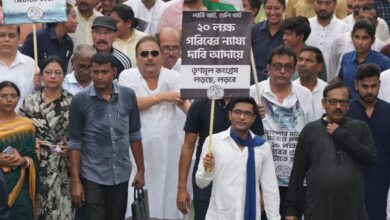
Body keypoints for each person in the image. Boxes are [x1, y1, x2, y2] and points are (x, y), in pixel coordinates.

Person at [119, 36, 190, 220]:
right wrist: (162, 96)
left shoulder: (174, 76)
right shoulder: (127, 76)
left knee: (168, 206)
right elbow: (128, 105)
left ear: (161, 56)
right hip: (138, 154)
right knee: (139, 207)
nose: (149, 57)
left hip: (170, 153)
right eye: (144, 54)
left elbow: (185, 104)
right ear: (136, 57)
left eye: (154, 53)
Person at [68, 52, 145, 220]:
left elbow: (135, 134)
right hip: (92, 174)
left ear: (114, 72)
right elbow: (74, 143)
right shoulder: (79, 100)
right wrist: (76, 182)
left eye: (104, 72)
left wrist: (141, 170)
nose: (100, 77)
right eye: (95, 72)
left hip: (121, 173)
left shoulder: (128, 95)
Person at [285, 81, 376, 220]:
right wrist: (291, 210)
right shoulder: (310, 130)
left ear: (349, 105)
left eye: (343, 102)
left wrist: (341, 135)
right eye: (333, 101)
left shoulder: (360, 127)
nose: (338, 106)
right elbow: (298, 171)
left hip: (352, 209)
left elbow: (370, 158)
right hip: (318, 208)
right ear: (323, 103)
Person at [250, 45, 314, 218]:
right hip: (261, 175)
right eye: (278, 66)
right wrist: (253, 116)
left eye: (288, 67)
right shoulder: (254, 92)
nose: (282, 71)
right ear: (268, 68)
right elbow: (240, 129)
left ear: (294, 70)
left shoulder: (305, 95)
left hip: (295, 176)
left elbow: (311, 134)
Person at [176, 97, 264, 220]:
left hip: (239, 179)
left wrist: (259, 188)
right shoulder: (199, 105)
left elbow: (257, 149)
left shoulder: (246, 105)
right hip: (206, 175)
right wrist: (181, 188)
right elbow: (188, 146)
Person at [196, 97, 280, 220]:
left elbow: (270, 188)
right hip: (220, 215)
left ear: (253, 118)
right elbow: (201, 183)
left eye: (247, 113)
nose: (242, 117)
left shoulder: (262, 147)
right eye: (237, 112)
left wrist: (274, 218)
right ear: (230, 115)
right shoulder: (213, 141)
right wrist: (207, 169)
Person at [19, 56, 74, 219]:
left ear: (64, 76)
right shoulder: (30, 101)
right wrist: (31, 142)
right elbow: (21, 130)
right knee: (39, 209)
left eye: (57, 72)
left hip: (63, 164)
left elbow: (81, 133)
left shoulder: (72, 101)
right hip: (37, 162)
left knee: (63, 210)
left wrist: (70, 146)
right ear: (41, 76)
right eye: (48, 72)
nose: (52, 76)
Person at [347, 63, 390, 220]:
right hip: (352, 179)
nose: (369, 91)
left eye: (373, 86)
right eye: (364, 86)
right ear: (356, 85)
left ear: (379, 84)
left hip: (382, 179)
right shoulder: (346, 112)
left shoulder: (388, 111)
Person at [0, 81, 38, 220]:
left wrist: (23, 161)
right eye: (3, 96)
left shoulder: (26, 125)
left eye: (13, 96)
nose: (9, 99)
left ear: (18, 99)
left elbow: (33, 157)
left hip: (21, 186)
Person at [328, 5, 386, 80]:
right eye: (361, 18)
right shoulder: (345, 55)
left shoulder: (382, 51)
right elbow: (334, 69)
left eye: (365, 38)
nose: (360, 42)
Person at [338, 19, 390, 98]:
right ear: (352, 37)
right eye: (357, 37)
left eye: (365, 38)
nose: (360, 42)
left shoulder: (384, 62)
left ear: (372, 40)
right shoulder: (346, 58)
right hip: (349, 107)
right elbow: (341, 79)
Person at [21, 3, 77, 72]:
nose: (76, 22)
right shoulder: (37, 37)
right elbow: (23, 63)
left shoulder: (69, 42)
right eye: (74, 17)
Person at [305, 0, 351, 81]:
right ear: (313, 3)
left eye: (328, 3)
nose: (323, 7)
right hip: (305, 83)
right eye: (319, 3)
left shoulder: (345, 29)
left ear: (335, 4)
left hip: (333, 85)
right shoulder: (305, 25)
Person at [0, 24, 37, 109]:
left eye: (11, 35)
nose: (6, 39)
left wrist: (39, 86)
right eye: (2, 35)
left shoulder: (31, 64)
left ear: (19, 38)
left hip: (24, 120)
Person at [252, 0, 285, 82]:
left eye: (277, 8)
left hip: (281, 81)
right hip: (256, 83)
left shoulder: (289, 31)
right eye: (268, 8)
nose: (272, 12)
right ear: (264, 9)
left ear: (284, 9)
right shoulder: (254, 30)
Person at [294, 46, 328, 119]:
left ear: (319, 66)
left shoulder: (327, 90)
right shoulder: (289, 89)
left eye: (308, 60)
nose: (302, 64)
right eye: (300, 59)